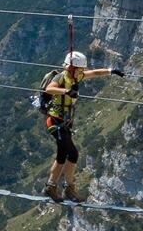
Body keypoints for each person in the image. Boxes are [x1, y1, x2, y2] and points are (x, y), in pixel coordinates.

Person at [41, 50, 124, 203]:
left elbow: (95, 73)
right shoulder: (61, 77)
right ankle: (68, 188)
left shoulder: (77, 76)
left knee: (62, 156)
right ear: (72, 68)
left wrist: (112, 71)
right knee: (72, 154)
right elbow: (49, 89)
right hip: (55, 121)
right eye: (80, 69)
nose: (82, 71)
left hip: (63, 123)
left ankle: (51, 186)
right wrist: (66, 91)